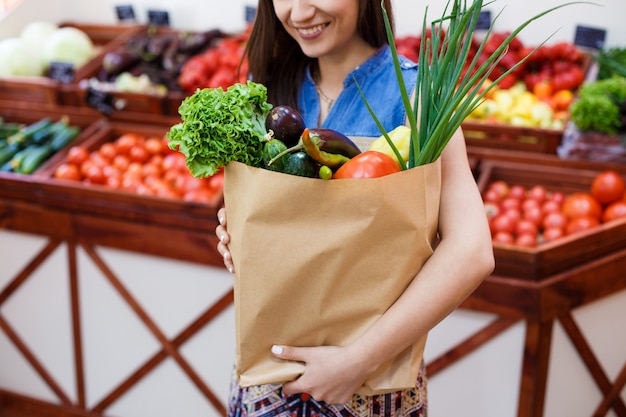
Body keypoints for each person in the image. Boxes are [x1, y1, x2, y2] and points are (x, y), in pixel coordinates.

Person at [215, 0, 495, 415]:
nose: (299, 12)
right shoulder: (267, 88)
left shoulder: (419, 96)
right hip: (265, 382)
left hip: (370, 385)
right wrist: (232, 231)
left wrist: (358, 360)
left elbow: (471, 252)